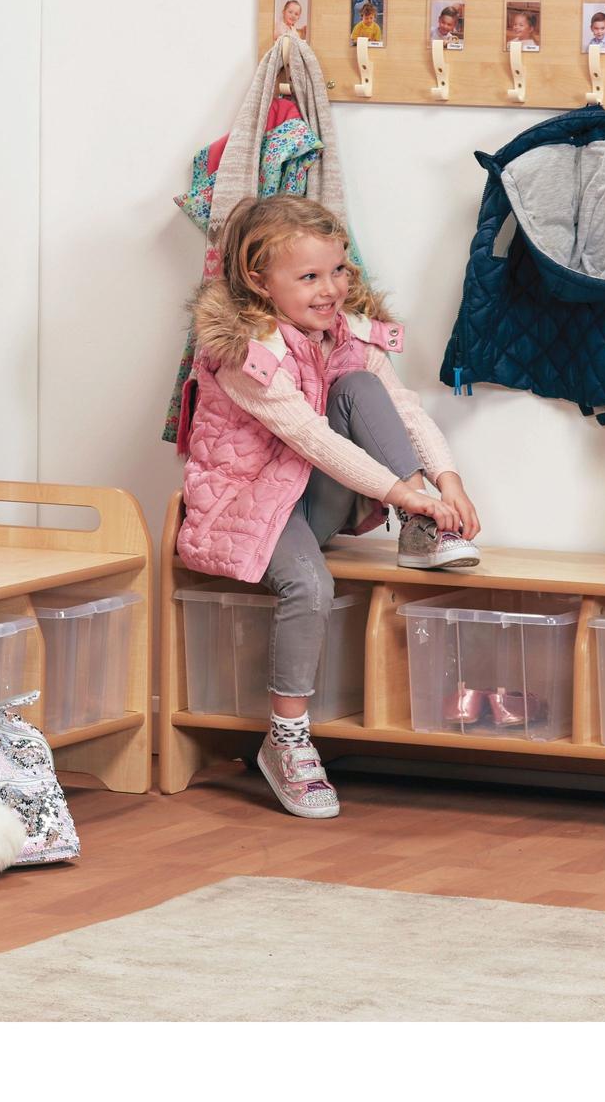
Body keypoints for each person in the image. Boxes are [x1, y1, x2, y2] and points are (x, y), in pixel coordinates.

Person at [178, 196, 481, 821]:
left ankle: (422, 531)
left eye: (338, 271)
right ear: (259, 281)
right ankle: (286, 738)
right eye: (309, 277)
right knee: (310, 586)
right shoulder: (246, 353)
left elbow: (402, 408)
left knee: (364, 386)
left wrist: (445, 482)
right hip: (251, 504)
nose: (331, 290)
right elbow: (312, 439)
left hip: (313, 495)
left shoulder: (347, 331)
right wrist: (401, 493)